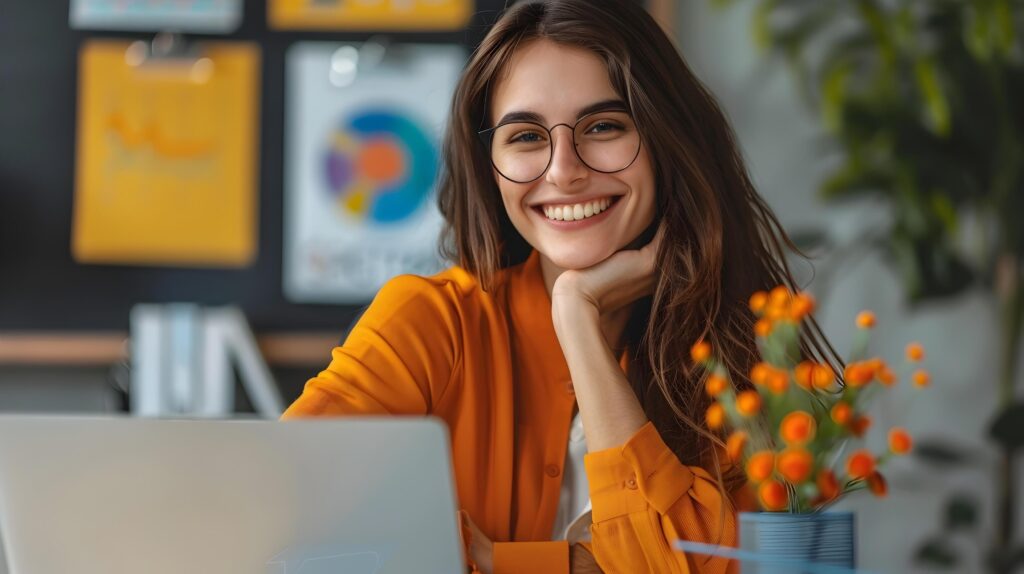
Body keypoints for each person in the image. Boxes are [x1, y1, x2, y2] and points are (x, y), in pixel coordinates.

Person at [282, 1, 838, 572]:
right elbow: (278, 510)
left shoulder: (745, 363)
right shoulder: (431, 323)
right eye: (525, 136)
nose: (563, 170)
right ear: (490, 163)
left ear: (668, 140)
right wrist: (572, 565)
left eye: (603, 126)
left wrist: (577, 316)